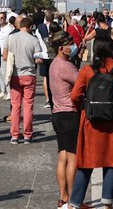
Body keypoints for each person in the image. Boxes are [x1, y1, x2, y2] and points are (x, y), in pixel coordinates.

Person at [68, 34, 113, 209]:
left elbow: (75, 96)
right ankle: (107, 204)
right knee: (111, 161)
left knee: (86, 161)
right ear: (112, 50)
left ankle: (74, 203)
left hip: (91, 123)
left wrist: (84, 109)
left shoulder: (87, 71)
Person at [48, 32, 80, 209]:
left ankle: (63, 197)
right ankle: (73, 199)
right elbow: (83, 81)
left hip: (58, 114)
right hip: (70, 114)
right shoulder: (66, 66)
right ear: (61, 48)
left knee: (62, 156)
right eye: (70, 44)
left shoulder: (54, 64)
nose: (73, 46)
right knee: (72, 158)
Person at [5, 17, 41, 144]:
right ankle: (27, 134)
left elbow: (5, 56)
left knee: (15, 106)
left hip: (15, 74)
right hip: (29, 74)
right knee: (28, 105)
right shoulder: (34, 40)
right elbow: (38, 59)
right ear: (30, 27)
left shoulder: (11, 38)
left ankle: (14, 135)